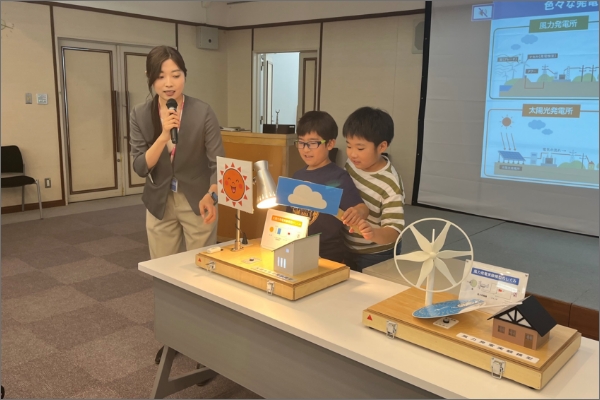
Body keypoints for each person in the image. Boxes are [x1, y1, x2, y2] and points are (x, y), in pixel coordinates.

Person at [129, 45, 225, 369]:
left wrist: (212, 194)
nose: (169, 83)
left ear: (185, 76)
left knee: (201, 273)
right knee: (165, 274)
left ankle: (204, 345)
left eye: (176, 75)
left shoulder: (202, 112)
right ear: (150, 78)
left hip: (198, 200)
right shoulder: (140, 114)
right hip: (159, 201)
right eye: (161, 76)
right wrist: (163, 136)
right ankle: (173, 338)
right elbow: (140, 166)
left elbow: (217, 164)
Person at [288, 111, 368, 264]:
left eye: (313, 143)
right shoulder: (297, 176)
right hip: (298, 249)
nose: (305, 149)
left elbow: (362, 208)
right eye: (301, 142)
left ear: (330, 144)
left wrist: (358, 212)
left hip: (328, 254)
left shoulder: (338, 177)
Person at [342, 107, 405, 272]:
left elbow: (394, 231)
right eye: (349, 146)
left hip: (377, 253)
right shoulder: (351, 165)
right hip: (348, 245)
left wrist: (373, 234)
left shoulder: (390, 184)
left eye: (360, 148)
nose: (352, 154)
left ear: (382, 146)